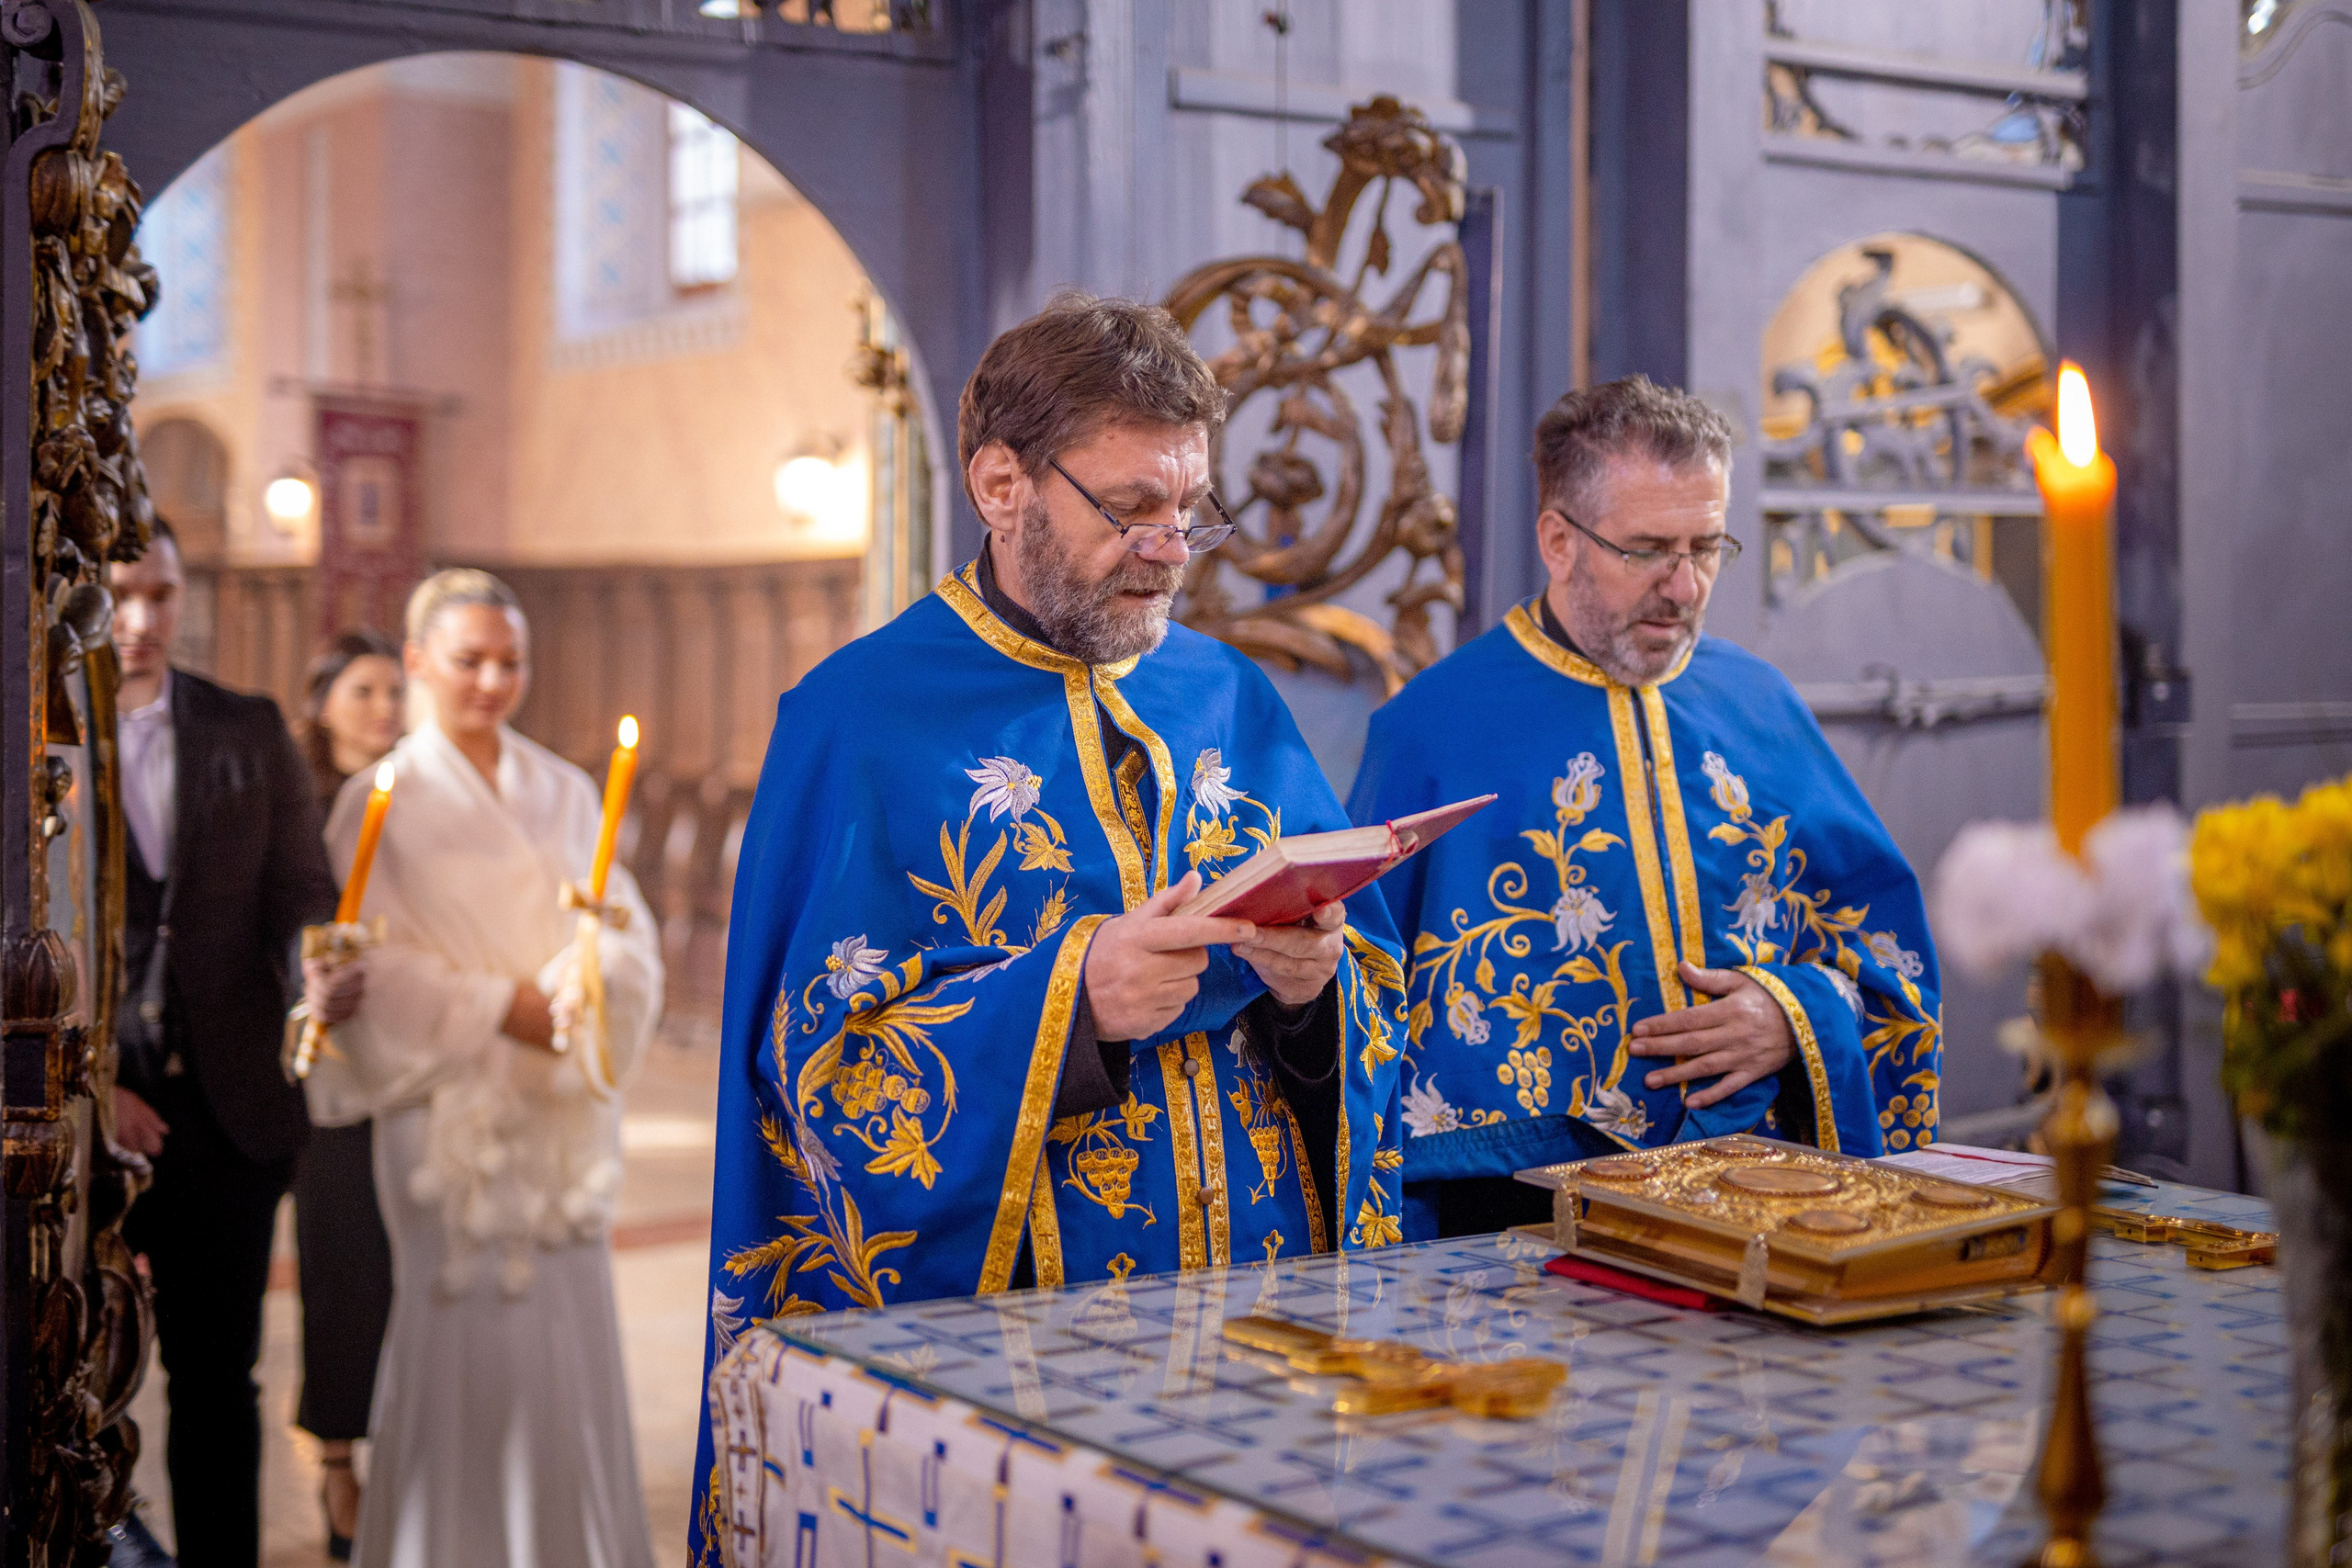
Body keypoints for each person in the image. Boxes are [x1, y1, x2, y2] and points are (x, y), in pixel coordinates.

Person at [692, 294, 1410, 1562]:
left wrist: (1316, 985)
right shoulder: (858, 719)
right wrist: (1072, 1004)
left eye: (1189, 508)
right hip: (1021, 1351)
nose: (1170, 546)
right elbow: (813, 1077)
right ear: (1000, 480)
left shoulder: (1227, 692)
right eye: (1130, 506)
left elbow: (1356, 987)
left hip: (1259, 1330)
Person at [1347, 376, 1941, 1240]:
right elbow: (1355, 1005)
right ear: (1558, 540)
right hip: (1519, 1223)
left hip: (1768, 1198)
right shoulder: (1430, 732)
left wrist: (1792, 1013)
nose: (1686, 586)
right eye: (1649, 549)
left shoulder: (1762, 705)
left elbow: (1885, 960)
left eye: (1707, 546)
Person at [300, 570, 662, 1566]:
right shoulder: (378, 801)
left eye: (511, 662)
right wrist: (499, 1005)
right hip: (442, 1109)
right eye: (470, 661)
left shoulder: (562, 787)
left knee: (566, 1331)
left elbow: (625, 930)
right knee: (459, 1324)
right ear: (418, 662)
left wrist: (586, 988)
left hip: (557, 1109)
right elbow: (356, 957)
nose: (494, 682)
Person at [108, 518, 342, 1567]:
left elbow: (300, 897)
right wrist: (83, 1093)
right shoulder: (33, 733)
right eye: (118, 597)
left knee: (217, 1377)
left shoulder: (245, 729)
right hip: (83, 1120)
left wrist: (317, 976)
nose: (137, 622)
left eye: (159, 595)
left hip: (233, 1107)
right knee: (66, 1381)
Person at [291, 629, 404, 1559]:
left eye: (395, 692)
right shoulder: (295, 802)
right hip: (320, 1066)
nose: (384, 708)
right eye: (364, 691)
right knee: (340, 1271)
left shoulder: (420, 794)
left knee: (405, 1269)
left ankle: (407, 1449)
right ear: (322, 702)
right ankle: (336, 1461)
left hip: (411, 1061)